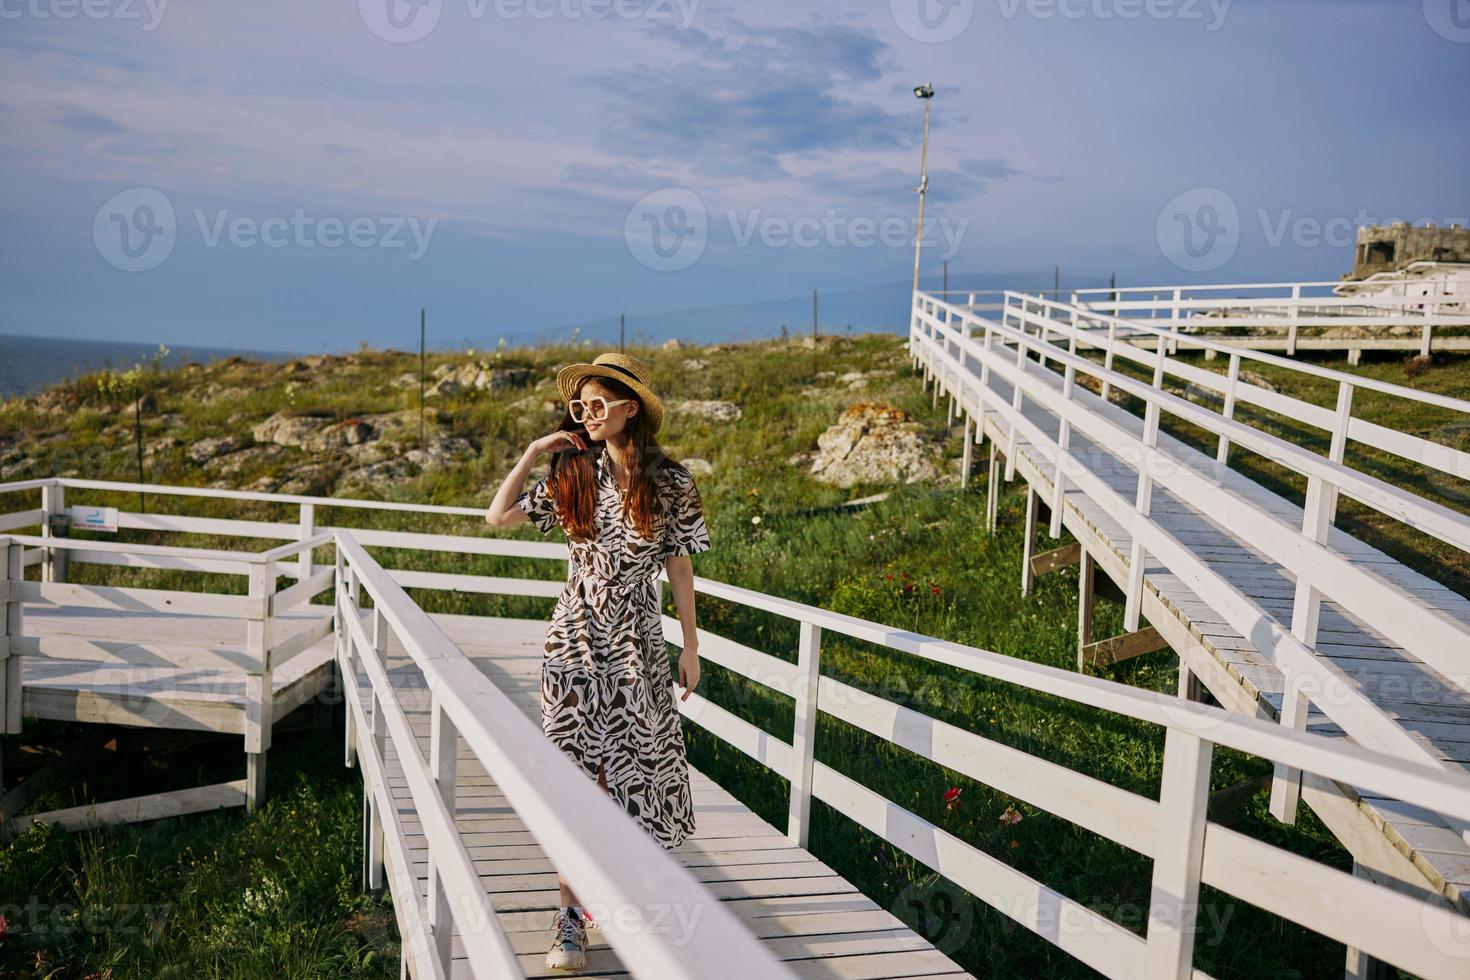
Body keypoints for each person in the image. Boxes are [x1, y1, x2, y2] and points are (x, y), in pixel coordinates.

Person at [484, 352, 711, 972]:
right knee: (573, 777)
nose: (585, 413)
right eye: (578, 405)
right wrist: (534, 450)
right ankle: (569, 919)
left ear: (629, 408)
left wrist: (690, 646)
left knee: (636, 774)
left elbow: (682, 566)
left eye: (597, 403)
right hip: (573, 642)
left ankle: (623, 900)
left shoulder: (671, 482)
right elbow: (497, 515)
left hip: (638, 643)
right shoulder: (572, 475)